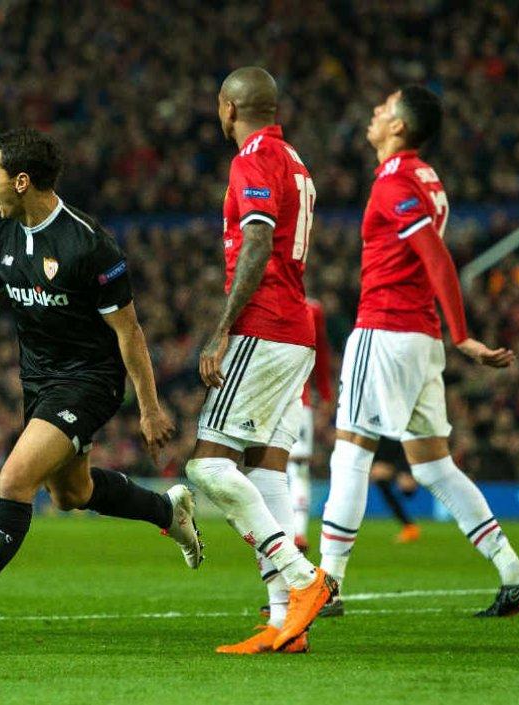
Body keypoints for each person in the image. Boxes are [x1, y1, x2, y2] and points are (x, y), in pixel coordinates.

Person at [0, 128, 202, 640]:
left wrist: (149, 408)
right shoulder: (0, 233)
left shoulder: (88, 244)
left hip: (90, 380)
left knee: (15, 479)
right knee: (72, 493)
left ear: (20, 181)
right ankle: (168, 510)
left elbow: (129, 331)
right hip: (38, 380)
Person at [317, 86, 519, 618]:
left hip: (386, 330)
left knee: (350, 452)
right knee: (434, 467)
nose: (374, 112)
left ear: (398, 126)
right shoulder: (427, 178)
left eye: (383, 108)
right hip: (418, 339)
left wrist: (462, 334)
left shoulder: (395, 181)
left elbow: (436, 256)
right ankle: (514, 574)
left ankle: (325, 585)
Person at [183, 66, 336, 656]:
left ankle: (303, 578)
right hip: (296, 332)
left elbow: (257, 241)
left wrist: (222, 331)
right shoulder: (294, 161)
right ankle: (284, 623)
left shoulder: (252, 159)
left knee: (208, 467)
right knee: (267, 468)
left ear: (228, 107)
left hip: (264, 325)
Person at [286, 298, 333, 554]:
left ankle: (298, 533)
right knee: (272, 468)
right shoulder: (259, 300)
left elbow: (321, 354)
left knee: (297, 467)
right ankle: (284, 530)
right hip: (269, 401)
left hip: (295, 402)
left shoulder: (312, 310)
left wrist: (325, 393)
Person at [371, 439, 422, 543]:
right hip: (380, 454)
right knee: (381, 483)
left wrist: (401, 471)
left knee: (407, 487)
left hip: (403, 453)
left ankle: (409, 527)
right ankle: (409, 527)